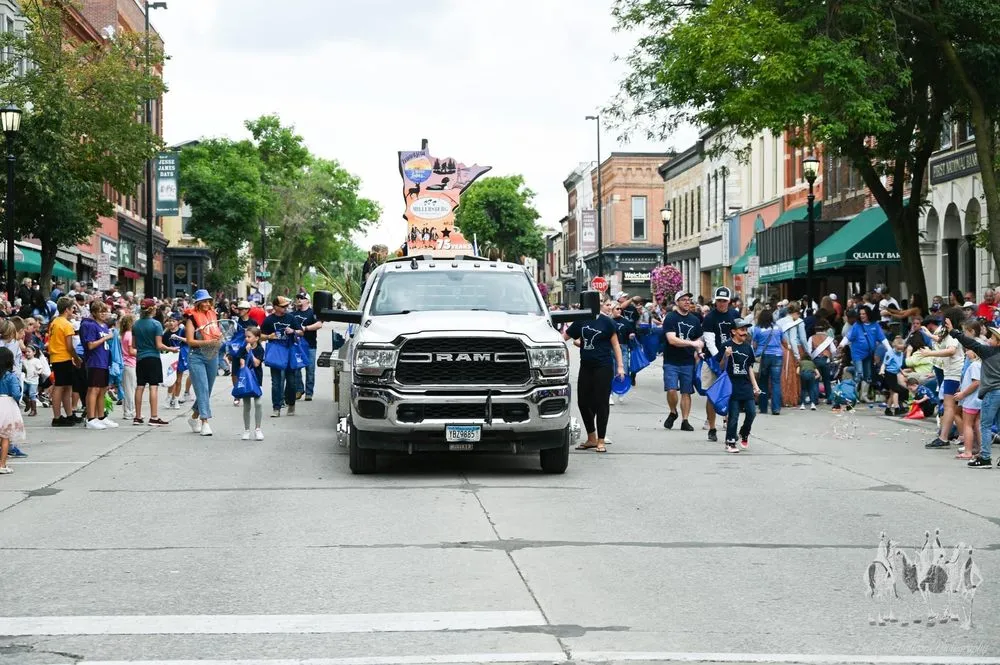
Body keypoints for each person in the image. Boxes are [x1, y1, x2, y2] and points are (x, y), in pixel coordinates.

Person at [563, 297, 624, 453]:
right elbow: (564, 337)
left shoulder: (607, 322)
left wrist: (621, 367)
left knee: (601, 402)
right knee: (583, 402)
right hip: (586, 366)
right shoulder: (581, 321)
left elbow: (616, 345)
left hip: (603, 366)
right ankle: (591, 437)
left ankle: (601, 440)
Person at [921, 309, 966, 449]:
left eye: (945, 319)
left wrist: (930, 353)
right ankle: (956, 435)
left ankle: (944, 437)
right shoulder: (950, 333)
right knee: (953, 407)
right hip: (950, 372)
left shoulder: (953, 335)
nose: (943, 321)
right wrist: (929, 335)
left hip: (954, 373)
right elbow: (940, 339)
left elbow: (951, 350)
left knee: (949, 406)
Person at [700, 286, 739, 442]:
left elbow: (740, 336)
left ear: (729, 302)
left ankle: (731, 428)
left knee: (731, 395)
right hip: (713, 360)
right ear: (715, 301)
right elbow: (709, 341)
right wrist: (719, 359)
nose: (721, 303)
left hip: (731, 359)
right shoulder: (710, 318)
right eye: (719, 301)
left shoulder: (734, 315)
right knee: (711, 395)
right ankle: (712, 427)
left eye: (724, 301)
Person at [662, 290, 704, 431]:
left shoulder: (695, 320)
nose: (687, 302)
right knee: (672, 389)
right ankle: (673, 411)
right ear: (677, 302)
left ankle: (685, 420)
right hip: (671, 361)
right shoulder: (670, 318)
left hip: (688, 361)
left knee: (686, 392)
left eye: (689, 300)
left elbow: (698, 339)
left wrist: (699, 351)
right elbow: (671, 340)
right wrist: (692, 344)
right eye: (684, 299)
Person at [184, 289, 224, 436]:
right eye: (204, 301)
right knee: (202, 389)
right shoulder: (191, 318)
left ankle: (193, 417)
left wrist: (219, 340)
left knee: (207, 390)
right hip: (197, 356)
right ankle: (205, 421)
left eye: (209, 301)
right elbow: (190, 341)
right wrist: (208, 342)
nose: (207, 303)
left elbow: (218, 332)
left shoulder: (214, 314)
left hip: (213, 355)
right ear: (198, 303)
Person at [717, 317, 761, 453]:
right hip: (731, 385)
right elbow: (721, 366)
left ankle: (744, 432)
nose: (745, 332)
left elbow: (749, 368)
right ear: (733, 331)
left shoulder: (748, 347)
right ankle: (730, 441)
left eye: (746, 330)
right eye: (742, 330)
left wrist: (755, 386)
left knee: (752, 412)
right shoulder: (726, 345)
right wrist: (726, 355)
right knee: (734, 415)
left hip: (745, 384)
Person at [133, 298, 177, 426]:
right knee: (153, 386)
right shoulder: (156, 324)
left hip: (140, 358)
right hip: (153, 357)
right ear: (152, 309)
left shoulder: (136, 324)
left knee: (140, 386)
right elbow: (159, 345)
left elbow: (134, 344)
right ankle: (154, 416)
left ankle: (137, 416)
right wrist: (171, 349)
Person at [261, 296, 305, 418]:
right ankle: (276, 407)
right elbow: (260, 335)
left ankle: (291, 403)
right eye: (283, 306)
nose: (285, 308)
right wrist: (269, 336)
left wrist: (293, 331)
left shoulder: (291, 318)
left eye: (286, 306)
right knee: (276, 382)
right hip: (275, 352)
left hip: (290, 351)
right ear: (275, 307)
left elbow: (301, 332)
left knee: (291, 381)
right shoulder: (269, 320)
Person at [79, 301, 118, 429]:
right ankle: (91, 418)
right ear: (94, 313)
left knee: (102, 389)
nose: (103, 314)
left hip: (104, 361)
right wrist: (106, 338)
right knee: (93, 389)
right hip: (94, 361)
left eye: (105, 311)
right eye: (101, 311)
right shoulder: (91, 325)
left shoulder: (105, 326)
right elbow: (90, 345)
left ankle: (101, 416)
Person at [47, 297, 82, 427]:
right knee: (60, 386)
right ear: (67, 309)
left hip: (57, 357)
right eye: (72, 308)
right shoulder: (66, 324)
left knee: (67, 386)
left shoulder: (55, 322)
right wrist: (77, 358)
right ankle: (57, 417)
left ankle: (69, 414)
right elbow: (69, 346)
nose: (74, 310)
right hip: (63, 357)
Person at [233, 326, 265, 441]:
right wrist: (245, 353)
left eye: (249, 337)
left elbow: (256, 364)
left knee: (259, 403)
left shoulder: (260, 349)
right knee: (247, 405)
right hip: (246, 379)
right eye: (246, 336)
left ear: (256, 338)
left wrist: (250, 352)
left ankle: (258, 429)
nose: (246, 339)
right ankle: (246, 429)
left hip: (256, 378)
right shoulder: (243, 348)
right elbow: (242, 364)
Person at [751, 309, 784, 415]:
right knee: (776, 382)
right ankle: (776, 408)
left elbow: (754, 344)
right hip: (777, 355)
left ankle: (763, 407)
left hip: (763, 356)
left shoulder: (757, 329)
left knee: (763, 382)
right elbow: (784, 341)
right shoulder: (778, 328)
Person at [293, 293, 323, 401]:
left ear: (308, 301)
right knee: (296, 368)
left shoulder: (312, 313)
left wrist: (305, 328)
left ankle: (309, 393)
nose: (299, 300)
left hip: (310, 345)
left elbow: (319, 324)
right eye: (298, 298)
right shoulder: (293, 314)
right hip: (297, 345)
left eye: (302, 298)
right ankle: (299, 389)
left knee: (310, 370)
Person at [954, 346, 982, 461]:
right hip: (979, 400)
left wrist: (963, 394)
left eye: (969, 350)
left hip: (971, 400)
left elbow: (976, 382)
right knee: (977, 424)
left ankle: (968, 451)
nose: (966, 352)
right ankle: (979, 448)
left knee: (967, 425)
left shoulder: (975, 365)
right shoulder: (981, 365)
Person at [0, 348, 25, 474]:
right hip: (6, 404)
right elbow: (16, 393)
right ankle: (2, 464)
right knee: (5, 436)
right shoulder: (10, 376)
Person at [118, 313, 137, 422]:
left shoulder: (124, 334)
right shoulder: (130, 335)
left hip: (125, 363)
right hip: (130, 363)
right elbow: (131, 351)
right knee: (130, 389)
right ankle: (130, 411)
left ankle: (128, 410)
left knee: (127, 388)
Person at [21, 344, 41, 417]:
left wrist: (37, 372)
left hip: (34, 381)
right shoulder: (24, 361)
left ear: (34, 352)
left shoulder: (36, 361)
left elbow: (40, 369)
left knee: (32, 394)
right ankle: (27, 403)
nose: (27, 353)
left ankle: (33, 410)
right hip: (26, 380)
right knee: (21, 392)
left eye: (29, 352)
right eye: (26, 352)